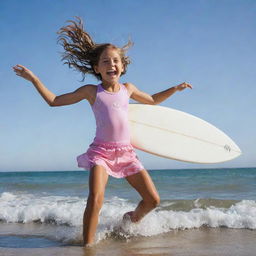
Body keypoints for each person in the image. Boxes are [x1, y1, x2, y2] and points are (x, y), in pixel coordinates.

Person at [13, 17, 192, 246]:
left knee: (153, 200)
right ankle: (87, 246)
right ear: (97, 68)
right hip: (102, 152)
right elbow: (55, 101)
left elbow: (153, 100)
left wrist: (175, 89)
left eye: (116, 61)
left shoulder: (129, 89)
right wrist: (34, 79)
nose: (111, 65)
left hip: (126, 152)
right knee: (96, 199)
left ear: (123, 66)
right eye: (105, 62)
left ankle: (128, 221)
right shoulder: (91, 91)